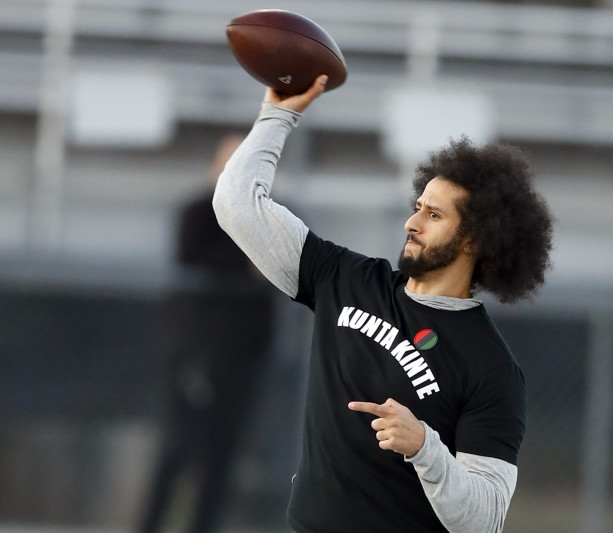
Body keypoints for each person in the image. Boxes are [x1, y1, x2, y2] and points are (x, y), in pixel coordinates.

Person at [212, 76, 554, 533]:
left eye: (434, 215)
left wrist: (424, 448)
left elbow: (484, 520)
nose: (412, 222)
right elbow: (236, 204)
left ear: (476, 238)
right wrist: (277, 115)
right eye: (418, 206)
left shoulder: (491, 368)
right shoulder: (344, 279)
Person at [140, 135, 278, 533]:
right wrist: (247, 260)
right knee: (178, 449)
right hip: (195, 353)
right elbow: (194, 258)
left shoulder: (272, 217)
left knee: (224, 455)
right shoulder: (198, 212)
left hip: (244, 355)